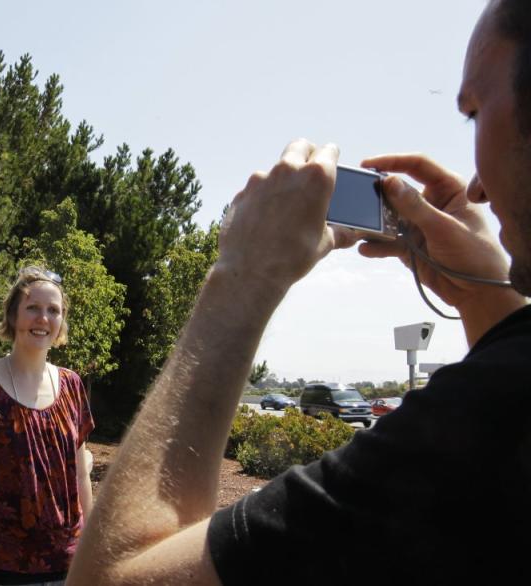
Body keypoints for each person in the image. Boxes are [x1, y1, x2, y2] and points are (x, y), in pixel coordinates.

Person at [67, 1, 531, 584]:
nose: (479, 188)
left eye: (472, 112)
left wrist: (240, 277)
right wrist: (488, 300)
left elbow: (110, 576)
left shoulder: (476, 423)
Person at [0, 266, 95, 586]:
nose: (43, 318)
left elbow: (79, 475)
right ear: (13, 316)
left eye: (54, 310)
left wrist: (91, 549)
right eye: (33, 308)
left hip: (64, 567)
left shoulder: (72, 385)